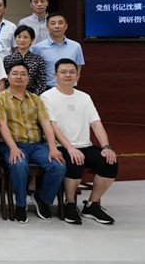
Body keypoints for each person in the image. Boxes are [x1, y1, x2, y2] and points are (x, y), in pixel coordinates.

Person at [42, 59, 117, 225]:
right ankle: (70, 203)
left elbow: (96, 124)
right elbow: (53, 126)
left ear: (77, 75)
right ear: (55, 75)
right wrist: (70, 148)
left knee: (109, 162)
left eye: (71, 72)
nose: (68, 75)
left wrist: (106, 147)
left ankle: (92, 204)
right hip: (62, 146)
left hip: (85, 145)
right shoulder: (47, 97)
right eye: (63, 72)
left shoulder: (84, 97)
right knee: (75, 161)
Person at [0, 62, 66, 223]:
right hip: (12, 144)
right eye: (15, 73)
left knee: (58, 165)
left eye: (23, 74)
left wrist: (52, 148)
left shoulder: (36, 100)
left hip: (37, 145)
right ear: (8, 77)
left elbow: (46, 124)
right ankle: (21, 204)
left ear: (28, 78)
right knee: (19, 164)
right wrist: (13, 148)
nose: (19, 77)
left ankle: (43, 199)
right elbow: (2, 125)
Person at [31, 12, 85, 89]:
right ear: (47, 27)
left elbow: (78, 70)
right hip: (47, 89)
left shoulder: (76, 46)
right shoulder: (38, 48)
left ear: (66, 26)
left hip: (69, 88)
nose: (57, 26)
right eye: (53, 23)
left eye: (60, 23)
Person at [3, 25, 47, 95]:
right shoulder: (7, 59)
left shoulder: (38, 60)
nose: (22, 40)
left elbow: (42, 84)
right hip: (11, 96)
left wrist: (32, 97)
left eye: (25, 37)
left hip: (32, 96)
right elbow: (5, 82)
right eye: (19, 37)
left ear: (32, 40)